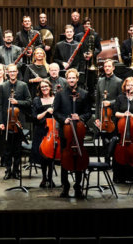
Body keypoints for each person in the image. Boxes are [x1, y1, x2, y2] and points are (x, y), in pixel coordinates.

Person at [53, 69, 91, 198]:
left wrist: (80, 118)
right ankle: (65, 186)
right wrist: (64, 119)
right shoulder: (60, 94)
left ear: (77, 79)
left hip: (78, 132)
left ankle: (78, 187)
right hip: (66, 132)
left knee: (79, 159)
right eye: (69, 78)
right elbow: (55, 112)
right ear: (66, 79)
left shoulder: (84, 94)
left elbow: (88, 112)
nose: (71, 80)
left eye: (73, 78)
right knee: (65, 159)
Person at [0, 64, 31, 179]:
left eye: (14, 71)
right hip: (7, 122)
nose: (12, 73)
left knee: (17, 148)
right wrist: (1, 122)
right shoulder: (3, 86)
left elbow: (29, 101)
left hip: (19, 121)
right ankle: (8, 170)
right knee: (7, 149)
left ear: (17, 72)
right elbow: (1, 106)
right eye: (10, 71)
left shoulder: (23, 85)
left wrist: (18, 102)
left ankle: (16, 170)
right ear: (7, 72)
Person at [112, 76, 133, 185]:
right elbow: (115, 113)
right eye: (128, 85)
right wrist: (124, 114)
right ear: (124, 87)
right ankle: (119, 177)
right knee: (120, 151)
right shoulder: (120, 98)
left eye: (132, 85)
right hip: (122, 129)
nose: (129, 87)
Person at [31, 79, 56, 188]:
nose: (44, 88)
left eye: (46, 86)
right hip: (41, 130)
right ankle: (44, 178)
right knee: (43, 155)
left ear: (50, 87)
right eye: (42, 87)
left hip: (53, 130)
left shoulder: (55, 99)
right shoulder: (37, 100)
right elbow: (35, 117)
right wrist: (46, 111)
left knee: (51, 155)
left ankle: (50, 178)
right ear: (40, 89)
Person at [80, 17, 102, 97]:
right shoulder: (79, 36)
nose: (87, 25)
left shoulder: (95, 35)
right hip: (82, 61)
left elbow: (99, 48)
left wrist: (92, 54)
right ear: (83, 25)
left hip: (92, 61)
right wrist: (83, 55)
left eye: (88, 24)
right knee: (82, 81)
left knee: (91, 82)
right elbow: (77, 48)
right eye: (85, 24)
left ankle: (91, 100)